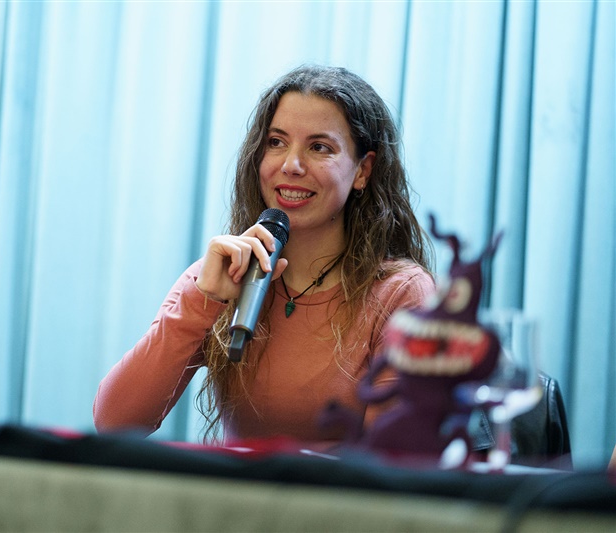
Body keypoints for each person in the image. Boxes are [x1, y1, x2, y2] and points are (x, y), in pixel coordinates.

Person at [93, 65, 435, 447]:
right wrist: (200, 301)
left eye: (319, 147)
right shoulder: (222, 273)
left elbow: (390, 458)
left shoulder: (401, 293)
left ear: (363, 170)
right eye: (276, 142)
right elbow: (114, 424)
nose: (291, 165)